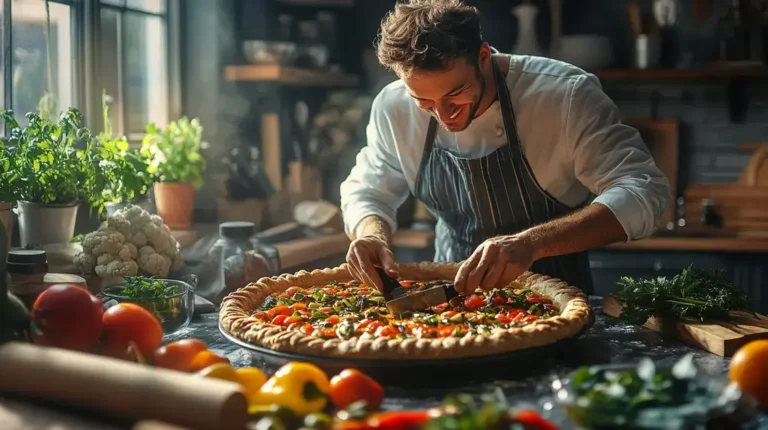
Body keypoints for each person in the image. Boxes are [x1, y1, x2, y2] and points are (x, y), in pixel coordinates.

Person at [340, 0, 670, 296]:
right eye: (424, 101)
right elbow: (369, 191)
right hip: (448, 299)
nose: (444, 115)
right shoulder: (393, 106)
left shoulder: (565, 95)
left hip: (556, 297)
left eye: (456, 94)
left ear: (484, 56)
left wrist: (530, 244)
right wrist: (371, 236)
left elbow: (644, 192)